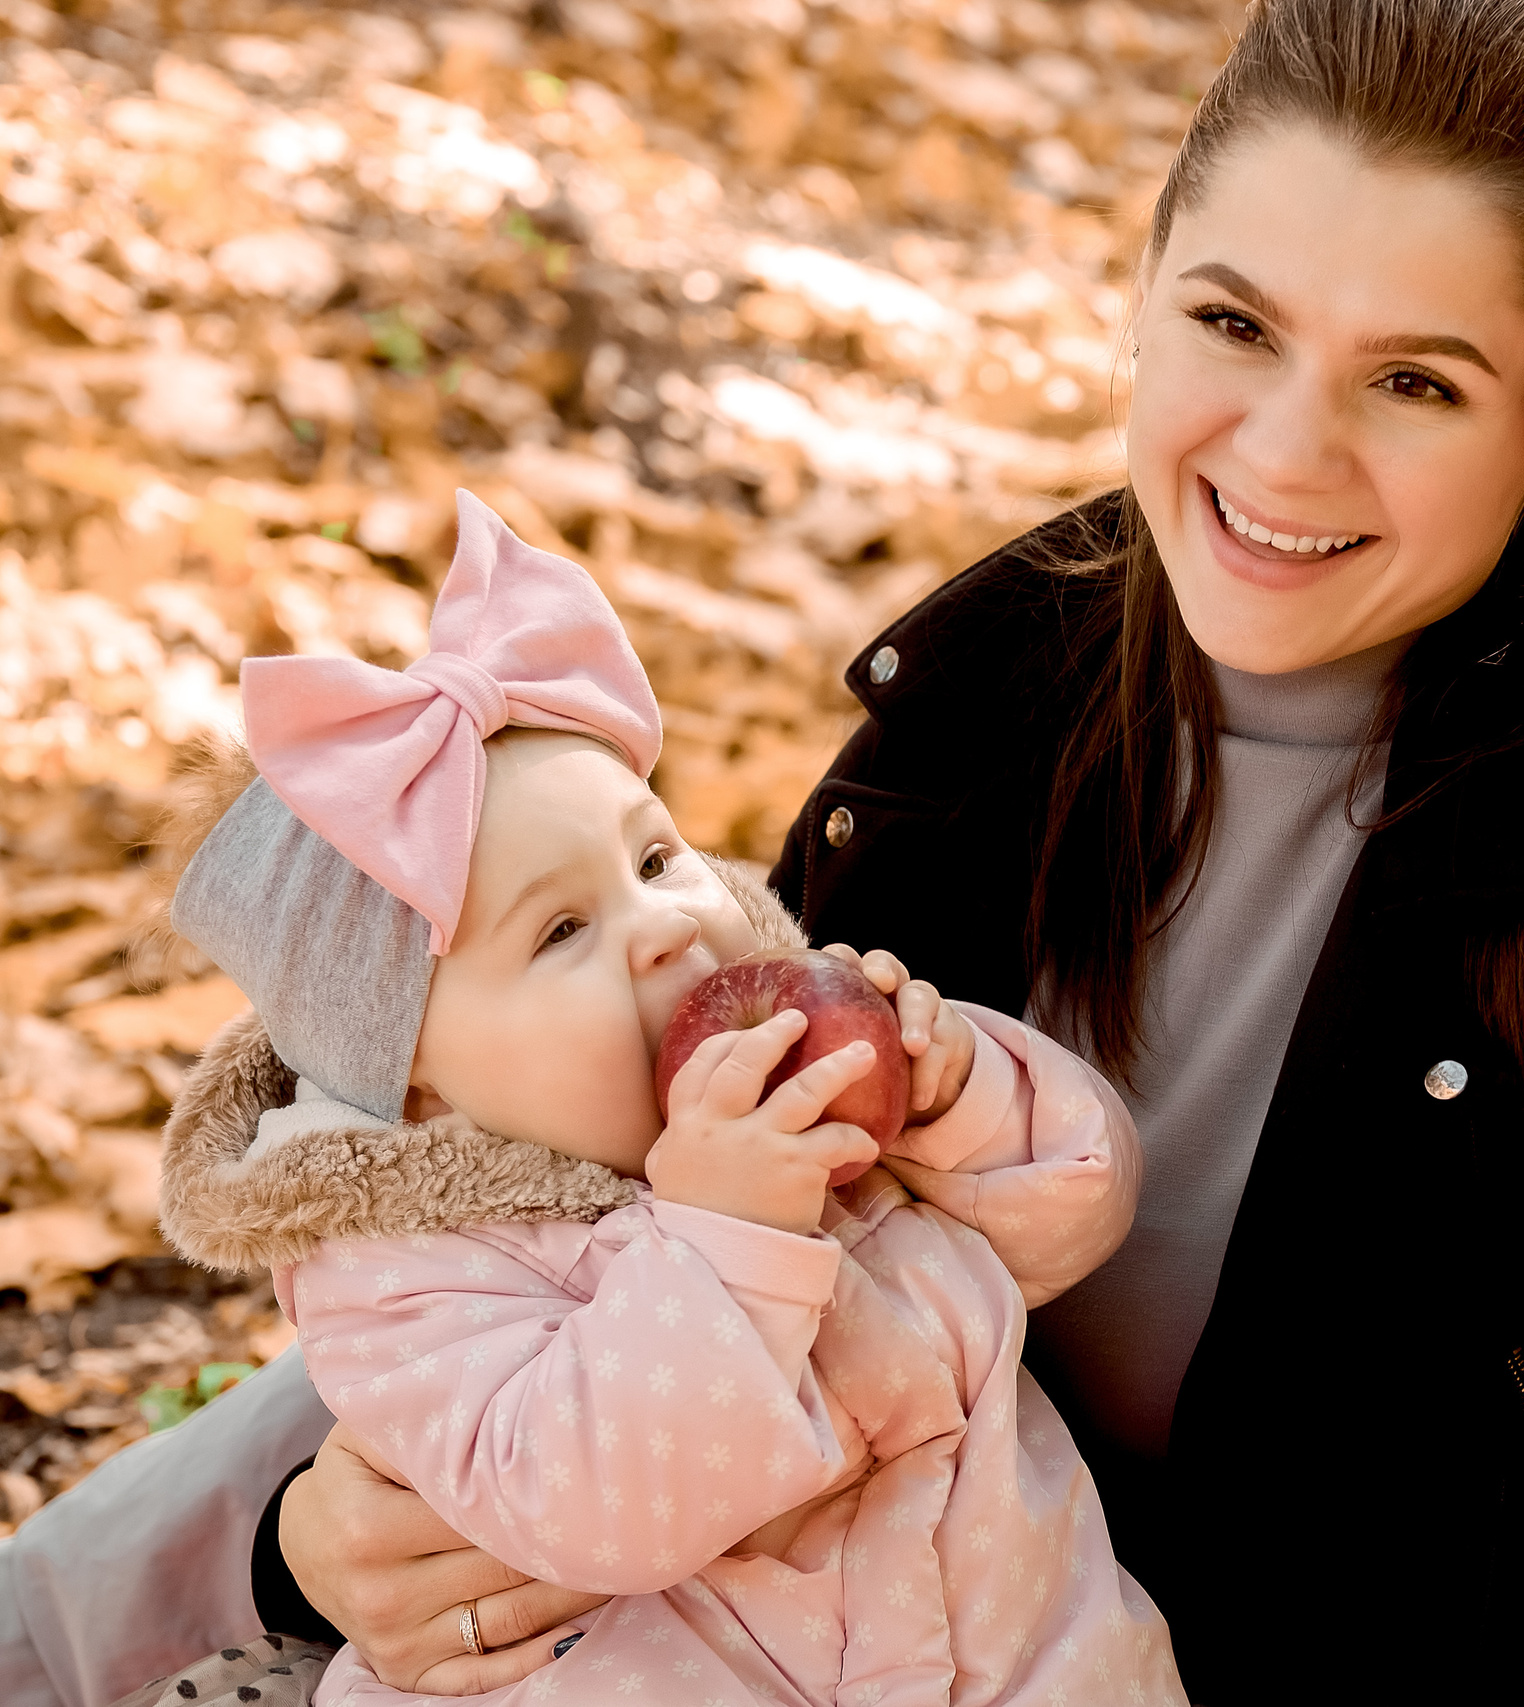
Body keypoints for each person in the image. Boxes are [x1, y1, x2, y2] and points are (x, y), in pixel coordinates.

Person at [2, 4, 1524, 1704]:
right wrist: (296, 1550)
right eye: (1230, 323)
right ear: (1145, 284)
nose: (1277, 448)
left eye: (1416, 382)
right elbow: (537, 1205)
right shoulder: (977, 721)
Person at [133, 491, 1177, 1707]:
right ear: (413, 1080)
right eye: (564, 929)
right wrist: (726, 1242)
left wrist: (961, 1104)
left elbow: (1078, 1221)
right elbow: (601, 1511)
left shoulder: (815, 1105)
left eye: (654, 860)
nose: (664, 931)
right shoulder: (409, 1273)